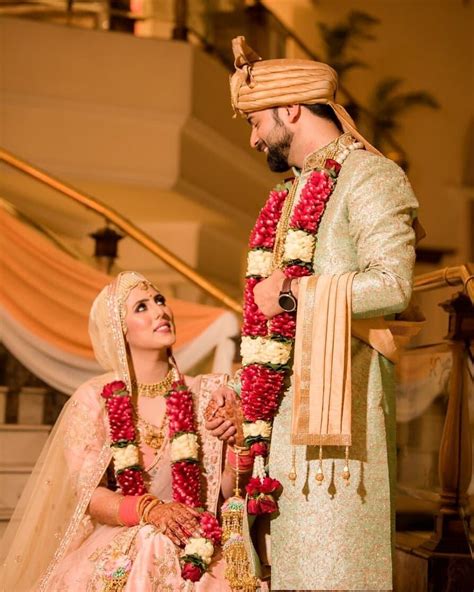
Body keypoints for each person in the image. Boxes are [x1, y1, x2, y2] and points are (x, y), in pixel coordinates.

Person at [206, 37, 423, 591]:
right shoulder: (286, 198)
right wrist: (245, 392)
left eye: (256, 122)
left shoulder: (371, 178)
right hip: (279, 429)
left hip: (338, 426)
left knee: (335, 571)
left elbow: (392, 284)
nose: (254, 139)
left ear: (292, 108)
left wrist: (297, 290)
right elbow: (274, 329)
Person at [0, 271, 237, 591]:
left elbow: (223, 489)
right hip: (127, 535)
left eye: (159, 300)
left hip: (197, 539)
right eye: (141, 307)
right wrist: (150, 511)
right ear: (118, 330)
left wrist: (241, 444)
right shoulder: (94, 400)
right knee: (151, 545)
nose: (159, 311)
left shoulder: (207, 393)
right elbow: (88, 493)